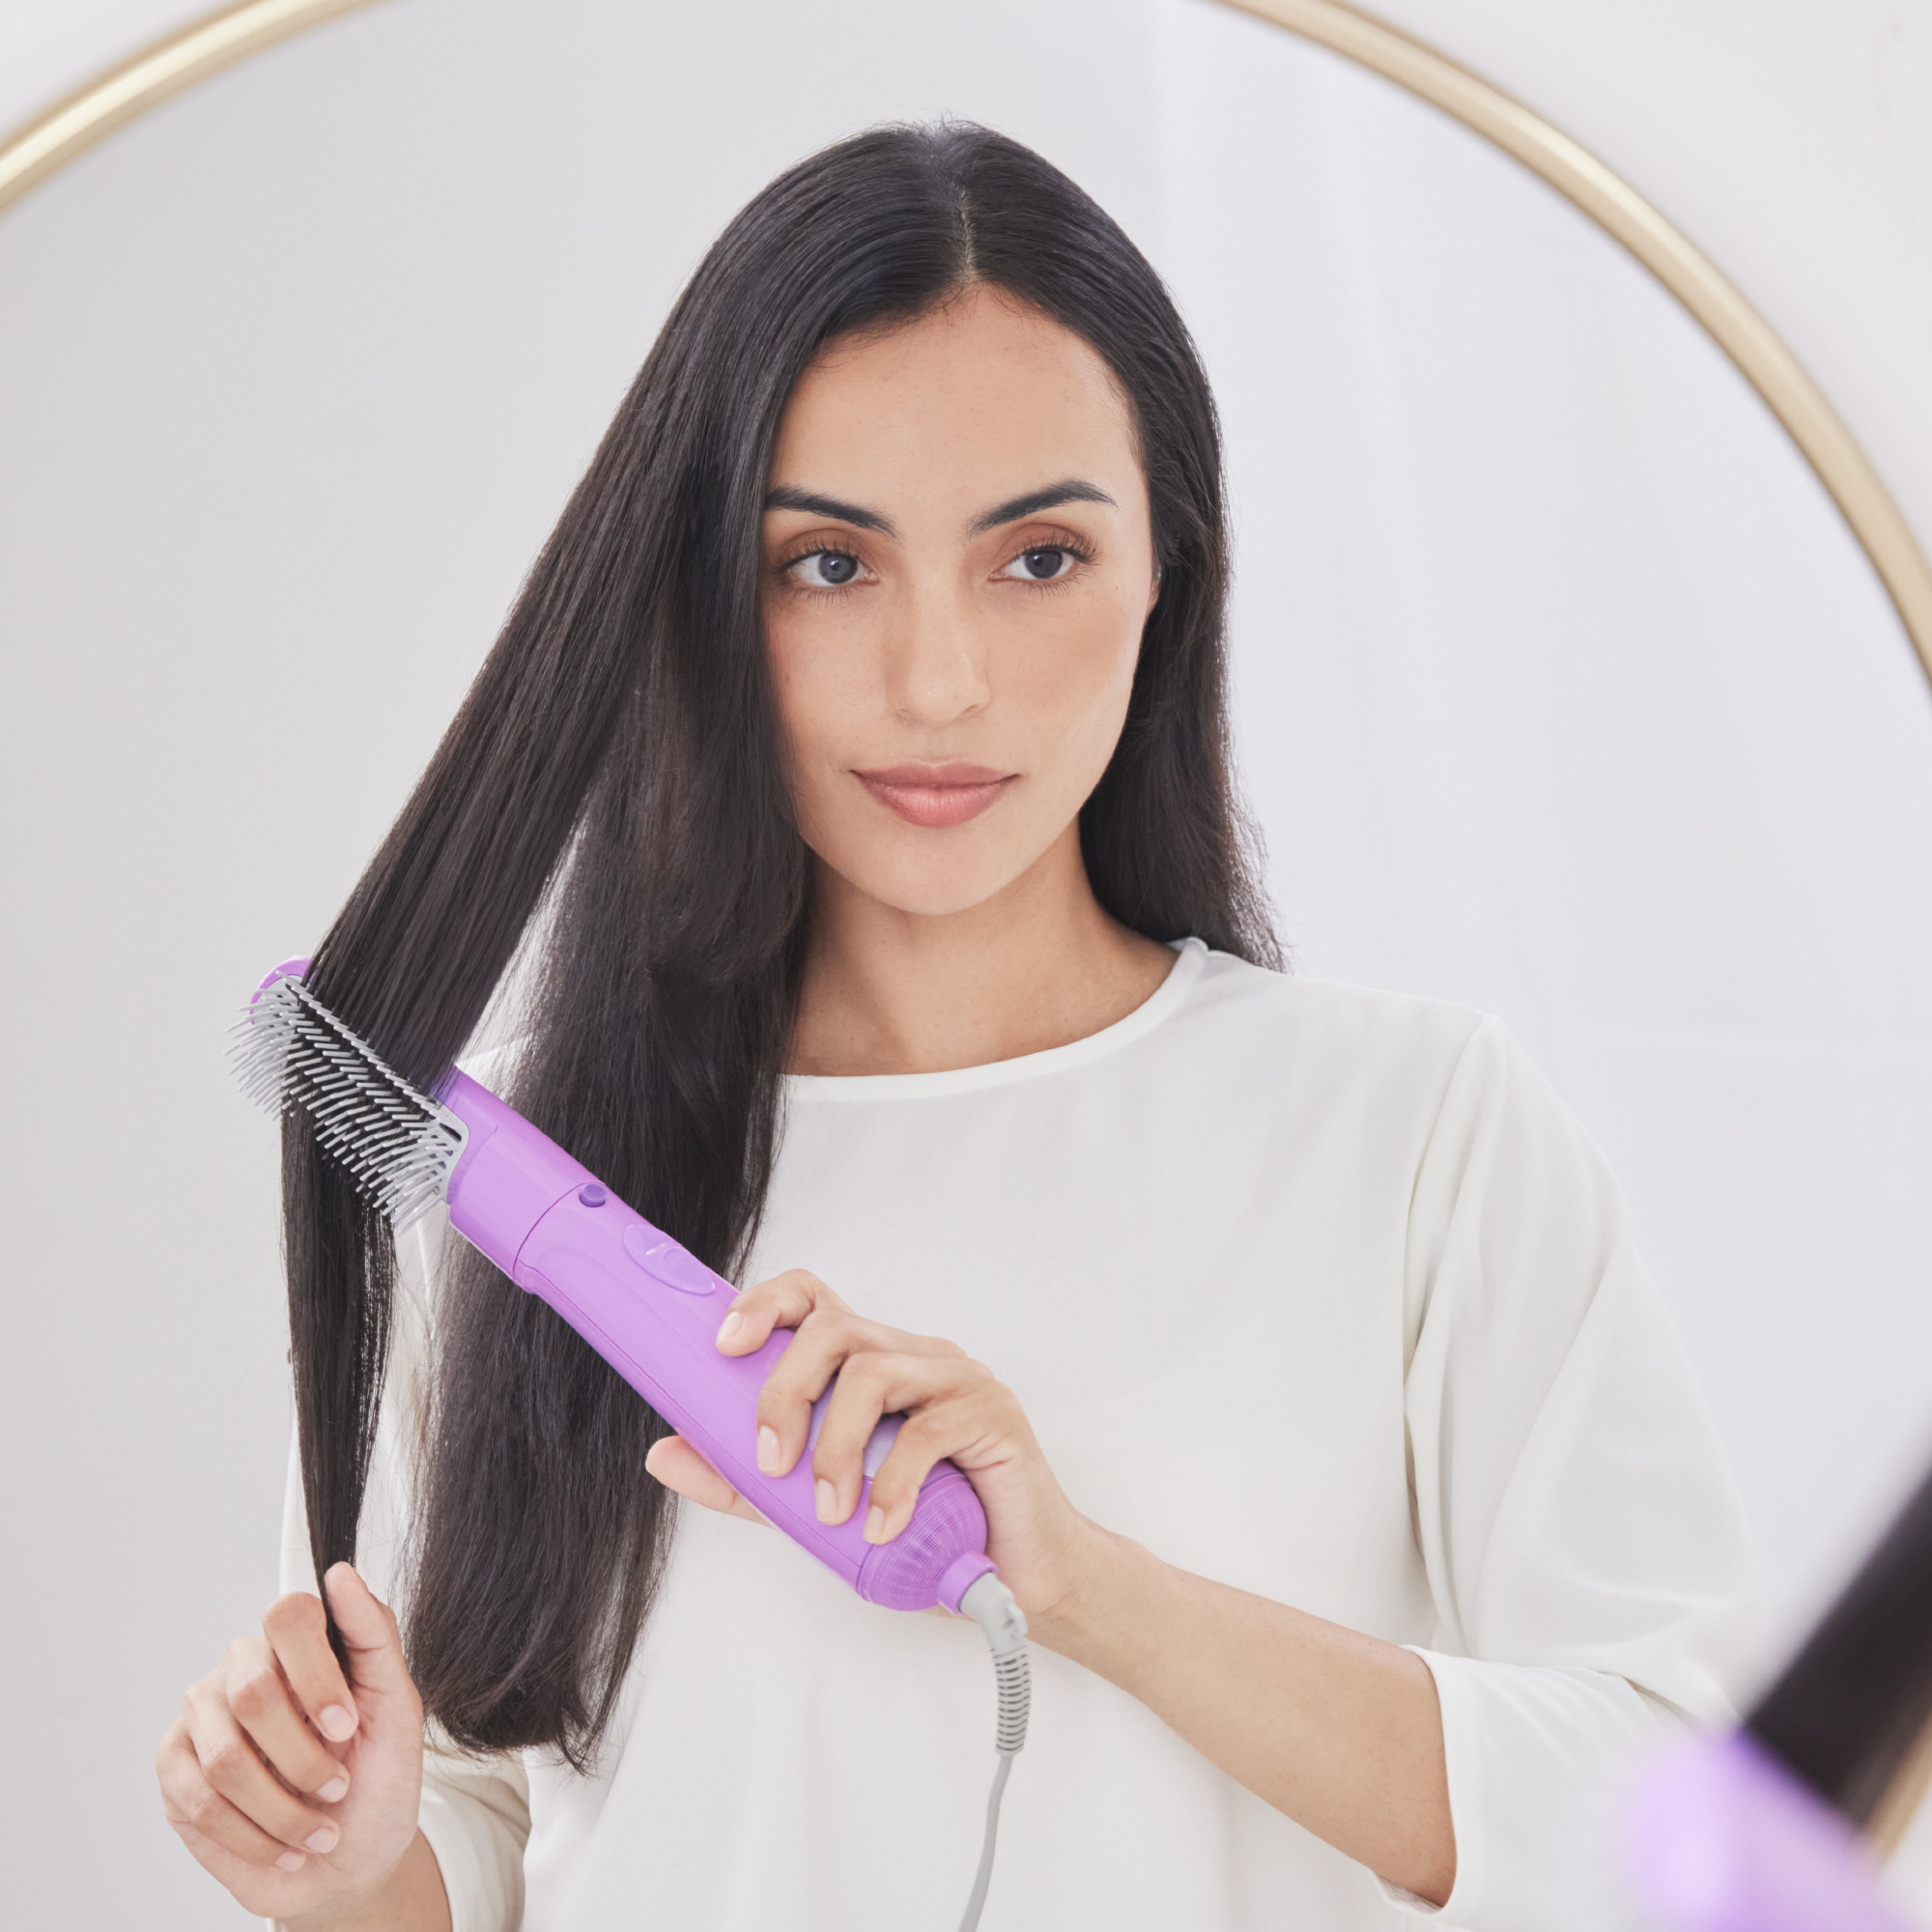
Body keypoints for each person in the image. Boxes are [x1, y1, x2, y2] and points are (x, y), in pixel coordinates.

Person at [156, 122, 1756, 1930]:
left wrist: (1085, 1587)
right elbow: (477, 1850)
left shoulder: (1417, 1136)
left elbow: (1691, 1834)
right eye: (829, 565)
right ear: (705, 599)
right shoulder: (507, 1176)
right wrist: (341, 1861)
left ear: (1172, 573)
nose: (939, 680)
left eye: (1041, 558)